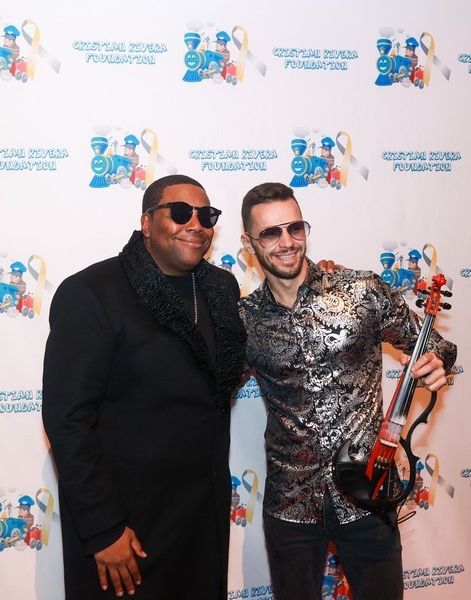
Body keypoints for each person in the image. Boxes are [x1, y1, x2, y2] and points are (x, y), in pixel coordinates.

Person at [237, 182, 457, 600]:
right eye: (270, 233)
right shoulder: (245, 320)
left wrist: (436, 362)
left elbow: (434, 345)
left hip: (369, 491)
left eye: (295, 228)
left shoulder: (362, 291)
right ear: (248, 243)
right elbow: (206, 391)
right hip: (290, 503)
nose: (287, 242)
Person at [42, 174, 246, 599]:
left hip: (202, 518)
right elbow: (67, 420)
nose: (195, 224)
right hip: (126, 525)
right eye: (180, 212)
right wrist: (102, 527)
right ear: (147, 222)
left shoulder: (221, 288)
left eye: (206, 215)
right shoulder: (92, 293)